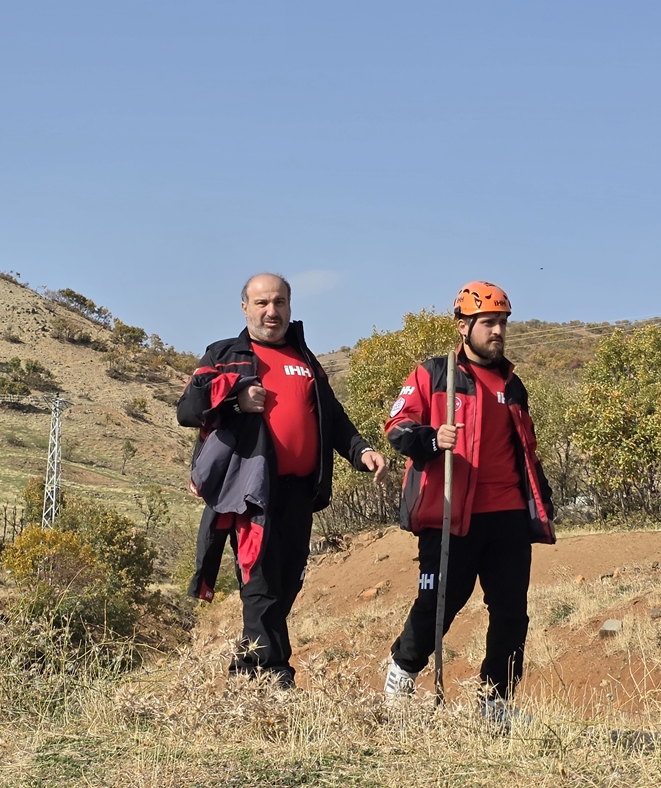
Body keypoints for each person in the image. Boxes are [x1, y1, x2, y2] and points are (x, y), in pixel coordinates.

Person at [177, 272, 387, 687]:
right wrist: (235, 400)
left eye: (279, 303)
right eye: (262, 303)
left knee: (288, 579)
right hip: (251, 491)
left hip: (300, 492)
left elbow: (332, 415)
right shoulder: (225, 353)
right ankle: (276, 674)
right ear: (245, 308)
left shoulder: (305, 359)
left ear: (290, 307)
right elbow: (187, 408)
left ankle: (246, 667)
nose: (271, 312)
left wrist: (361, 450)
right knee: (259, 580)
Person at [382, 281, 555, 714]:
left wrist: (542, 501)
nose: (498, 331)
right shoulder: (434, 373)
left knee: (512, 615)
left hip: (508, 516)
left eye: (502, 322)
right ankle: (401, 675)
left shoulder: (513, 385)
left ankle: (494, 703)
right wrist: (430, 437)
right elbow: (396, 426)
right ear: (463, 326)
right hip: (449, 514)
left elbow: (527, 452)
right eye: (488, 322)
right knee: (438, 604)